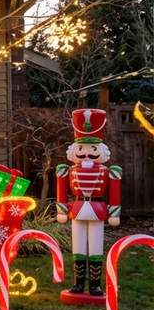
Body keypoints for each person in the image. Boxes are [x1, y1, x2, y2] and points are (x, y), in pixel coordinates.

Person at [56, 108, 122, 297]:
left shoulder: (108, 171)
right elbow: (62, 190)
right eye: (82, 148)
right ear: (75, 149)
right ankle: (78, 284)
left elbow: (114, 192)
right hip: (77, 208)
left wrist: (114, 212)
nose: (87, 153)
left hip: (98, 208)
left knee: (95, 247)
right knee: (78, 247)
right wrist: (61, 208)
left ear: (100, 150)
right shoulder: (67, 170)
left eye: (92, 149)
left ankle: (95, 285)